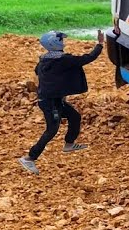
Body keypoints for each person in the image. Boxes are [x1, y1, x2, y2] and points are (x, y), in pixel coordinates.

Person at [18, 29, 104, 175]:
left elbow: (37, 72)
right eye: (62, 41)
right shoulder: (63, 60)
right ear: (55, 43)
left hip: (52, 100)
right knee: (51, 130)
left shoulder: (44, 59)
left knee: (74, 117)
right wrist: (100, 44)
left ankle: (69, 144)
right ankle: (29, 158)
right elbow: (87, 58)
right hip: (50, 103)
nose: (64, 43)